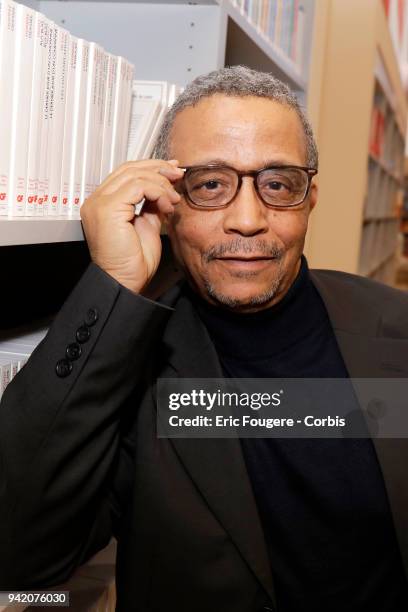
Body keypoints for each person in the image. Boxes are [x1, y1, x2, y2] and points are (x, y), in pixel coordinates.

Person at [1, 65, 408, 612]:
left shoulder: (396, 329)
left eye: (278, 184)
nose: (247, 220)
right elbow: (19, 559)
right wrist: (112, 284)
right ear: (167, 205)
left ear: (310, 200)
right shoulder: (128, 367)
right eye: (211, 184)